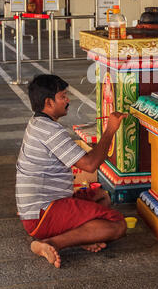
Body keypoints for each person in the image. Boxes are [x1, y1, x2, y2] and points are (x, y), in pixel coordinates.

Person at [15, 74, 127, 268]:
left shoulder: (38, 122)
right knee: (117, 226)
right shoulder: (50, 130)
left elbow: (88, 159)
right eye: (63, 96)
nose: (68, 101)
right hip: (41, 214)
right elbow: (90, 164)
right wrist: (110, 130)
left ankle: (80, 237)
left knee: (102, 197)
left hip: (39, 208)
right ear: (49, 102)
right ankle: (50, 243)